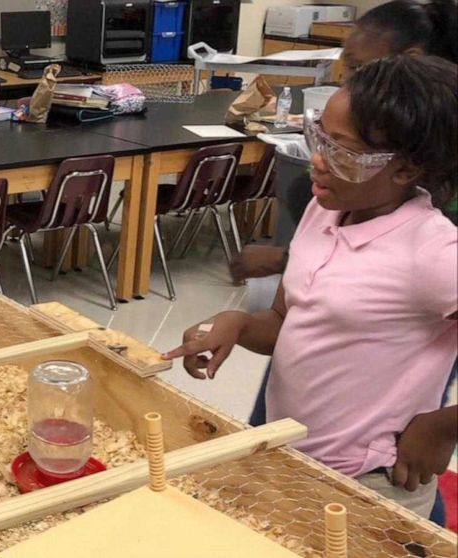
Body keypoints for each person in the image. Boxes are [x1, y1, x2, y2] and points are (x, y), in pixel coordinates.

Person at [164, 55, 458, 518]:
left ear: (406, 171)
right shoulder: (326, 210)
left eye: (342, 151)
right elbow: (286, 320)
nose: (318, 160)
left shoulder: (434, 252)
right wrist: (238, 324)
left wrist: (445, 426)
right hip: (292, 459)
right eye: (319, 137)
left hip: (368, 485)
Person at [231, 0, 458, 285]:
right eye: (323, 139)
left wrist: (284, 259)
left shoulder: (437, 244)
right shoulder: (326, 201)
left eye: (356, 67)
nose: (344, 80)